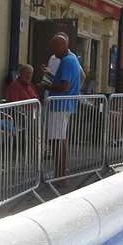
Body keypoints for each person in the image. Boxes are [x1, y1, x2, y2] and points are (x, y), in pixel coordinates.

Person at [42, 33, 84, 177]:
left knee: (56, 141)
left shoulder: (66, 61)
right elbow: (75, 78)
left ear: (63, 46)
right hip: (65, 105)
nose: (53, 51)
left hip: (60, 105)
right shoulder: (73, 59)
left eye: (54, 47)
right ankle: (60, 172)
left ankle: (60, 175)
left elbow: (64, 86)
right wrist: (50, 76)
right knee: (59, 139)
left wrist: (46, 87)